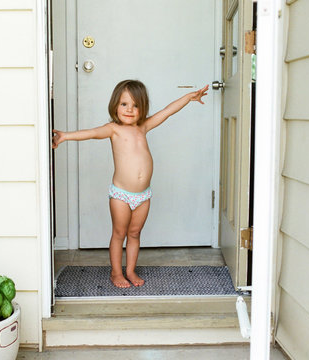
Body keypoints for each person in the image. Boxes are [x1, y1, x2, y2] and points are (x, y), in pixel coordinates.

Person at [52, 80, 209, 288]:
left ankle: (131, 270)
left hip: (143, 195)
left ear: (142, 108)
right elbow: (90, 133)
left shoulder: (143, 127)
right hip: (121, 195)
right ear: (115, 105)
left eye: (135, 105)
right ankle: (116, 273)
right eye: (124, 104)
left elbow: (167, 111)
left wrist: (189, 97)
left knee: (134, 234)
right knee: (119, 233)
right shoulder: (113, 129)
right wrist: (65, 136)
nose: (129, 110)